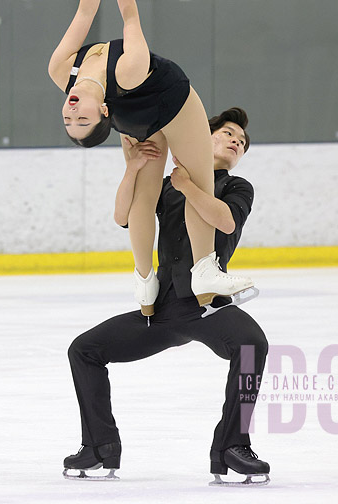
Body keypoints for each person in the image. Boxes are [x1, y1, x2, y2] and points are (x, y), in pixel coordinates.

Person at [48, 0, 254, 315]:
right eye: (82, 120)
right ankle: (204, 269)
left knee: (147, 187)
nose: (72, 112)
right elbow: (129, 16)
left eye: (68, 119)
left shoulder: (61, 71)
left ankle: (145, 283)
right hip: (170, 98)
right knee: (197, 177)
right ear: (103, 112)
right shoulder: (127, 68)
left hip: (133, 115)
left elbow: (85, 11)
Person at [63, 107, 270, 485]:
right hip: (161, 308)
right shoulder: (165, 186)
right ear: (202, 138)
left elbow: (224, 220)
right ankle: (99, 446)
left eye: (241, 142)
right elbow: (124, 215)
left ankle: (231, 447)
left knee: (252, 344)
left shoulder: (237, 187)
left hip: (206, 305)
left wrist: (189, 184)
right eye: (227, 133)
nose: (236, 142)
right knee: (84, 349)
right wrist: (133, 169)